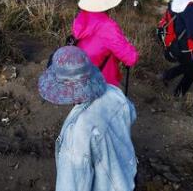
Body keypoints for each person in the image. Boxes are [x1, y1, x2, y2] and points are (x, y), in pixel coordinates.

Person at [39, 46, 137, 191]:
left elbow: (71, 185)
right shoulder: (114, 93)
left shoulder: (77, 133)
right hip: (128, 176)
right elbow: (131, 115)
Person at [72, 0, 139, 87]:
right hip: (100, 81)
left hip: (81, 75)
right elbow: (131, 58)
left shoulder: (82, 17)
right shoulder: (108, 27)